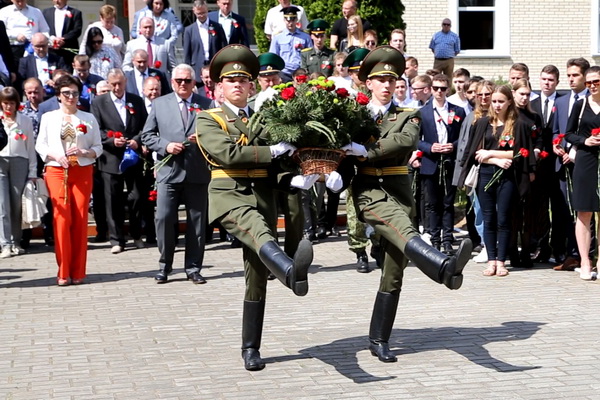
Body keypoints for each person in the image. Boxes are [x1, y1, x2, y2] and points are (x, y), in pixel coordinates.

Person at [338, 46, 471, 363]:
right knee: (404, 228)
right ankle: (443, 267)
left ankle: (378, 339)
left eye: (392, 79)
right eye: (380, 79)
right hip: (369, 190)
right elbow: (338, 150)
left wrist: (363, 149)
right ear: (367, 83)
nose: (387, 85)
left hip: (398, 192)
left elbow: (404, 141)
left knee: (393, 272)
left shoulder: (407, 114)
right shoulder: (353, 116)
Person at [195, 44, 314, 371]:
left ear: (251, 86)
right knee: (261, 234)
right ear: (218, 87)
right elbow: (229, 155)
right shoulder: (208, 119)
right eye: (229, 80)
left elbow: (279, 161)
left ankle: (251, 347)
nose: (237, 85)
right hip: (230, 195)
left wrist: (296, 172)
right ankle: (291, 272)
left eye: (243, 80)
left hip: (261, 197)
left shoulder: (265, 121)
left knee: (256, 273)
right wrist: (272, 150)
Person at [142, 63, 211, 284]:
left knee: (197, 223)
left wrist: (202, 139)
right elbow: (147, 135)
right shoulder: (160, 104)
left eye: (187, 81)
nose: (183, 84)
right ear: (172, 83)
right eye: (179, 81)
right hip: (169, 172)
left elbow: (215, 134)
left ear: (194, 83)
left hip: (196, 171)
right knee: (163, 218)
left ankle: (193, 267)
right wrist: (166, 146)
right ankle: (165, 266)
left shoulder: (206, 104)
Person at [461, 85, 535, 277]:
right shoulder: (483, 123)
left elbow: (521, 153)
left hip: (508, 177)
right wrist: (494, 160)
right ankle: (491, 260)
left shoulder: (519, 124)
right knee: (488, 218)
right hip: (485, 175)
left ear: (509, 101)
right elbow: (475, 152)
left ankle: (502, 261)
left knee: (503, 218)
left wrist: (493, 153)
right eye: (494, 101)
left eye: (501, 101)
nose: (497, 105)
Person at [36, 74, 102, 285]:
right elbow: (41, 145)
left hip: (81, 170)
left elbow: (98, 148)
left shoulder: (88, 118)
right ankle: (63, 272)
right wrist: (55, 155)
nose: (71, 97)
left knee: (80, 219)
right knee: (62, 219)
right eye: (66, 93)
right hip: (57, 170)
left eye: (74, 93)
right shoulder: (48, 117)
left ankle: (78, 271)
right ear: (58, 95)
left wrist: (85, 151)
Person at [91, 68, 148, 254]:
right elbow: (96, 130)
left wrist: (136, 141)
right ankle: (116, 239)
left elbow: (145, 126)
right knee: (112, 199)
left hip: (133, 157)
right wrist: (110, 141)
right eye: (113, 84)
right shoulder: (99, 102)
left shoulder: (136, 100)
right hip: (111, 159)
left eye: (119, 83)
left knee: (137, 196)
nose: (116, 87)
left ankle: (137, 234)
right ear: (108, 84)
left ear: (125, 82)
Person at [418, 73, 465, 254]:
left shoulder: (457, 111)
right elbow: (416, 139)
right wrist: (431, 148)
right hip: (431, 162)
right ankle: (434, 238)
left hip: (449, 162)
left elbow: (462, 137)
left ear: (448, 89)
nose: (439, 92)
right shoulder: (422, 112)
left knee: (448, 203)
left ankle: (447, 239)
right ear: (430, 89)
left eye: (443, 89)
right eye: (436, 88)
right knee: (432, 203)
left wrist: (451, 146)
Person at [551, 57, 589, 271]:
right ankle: (570, 253)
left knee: (583, 210)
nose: (571, 79)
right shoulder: (562, 101)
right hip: (561, 163)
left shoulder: (591, 100)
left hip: (583, 161)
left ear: (584, 76)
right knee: (564, 209)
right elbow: (556, 131)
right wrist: (557, 145)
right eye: (569, 76)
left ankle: (585, 254)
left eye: (575, 75)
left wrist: (574, 151)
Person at [564, 65, 600, 280]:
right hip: (586, 159)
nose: (592, 86)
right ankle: (585, 261)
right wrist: (584, 140)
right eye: (589, 83)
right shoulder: (580, 104)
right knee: (584, 211)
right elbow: (568, 133)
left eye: (596, 82)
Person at [529, 65, 563, 263]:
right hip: (538, 165)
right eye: (543, 79)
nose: (547, 83)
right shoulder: (531, 104)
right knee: (537, 208)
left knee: (559, 208)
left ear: (557, 82)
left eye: (551, 80)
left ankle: (558, 249)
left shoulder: (563, 102)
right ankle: (538, 247)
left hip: (557, 164)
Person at [0, 86, 37, 258]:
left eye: (12, 103)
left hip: (20, 162)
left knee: (16, 205)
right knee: (2, 205)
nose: (8, 107)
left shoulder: (25, 121)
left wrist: (32, 172)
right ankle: (4, 243)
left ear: (17, 104)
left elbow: (31, 149)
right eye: (5, 103)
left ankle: (16, 242)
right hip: (1, 162)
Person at [183, 0, 226, 82]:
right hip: (197, 70)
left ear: (207, 10)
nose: (202, 15)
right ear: (194, 11)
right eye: (199, 13)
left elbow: (223, 48)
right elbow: (187, 55)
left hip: (214, 68)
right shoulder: (189, 30)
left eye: (204, 12)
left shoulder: (217, 27)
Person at [0, 0, 49, 71]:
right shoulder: (4, 12)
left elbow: (45, 30)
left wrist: (38, 39)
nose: (20, 3)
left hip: (32, 49)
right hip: (13, 49)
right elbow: (1, 32)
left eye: (22, 1)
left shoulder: (36, 12)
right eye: (17, 1)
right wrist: (15, 35)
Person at [17, 33, 68, 99]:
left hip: (53, 95)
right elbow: (21, 81)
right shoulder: (25, 61)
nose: (41, 49)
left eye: (43, 46)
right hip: (34, 96)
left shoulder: (58, 59)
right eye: (38, 46)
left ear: (48, 44)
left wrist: (56, 82)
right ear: (32, 45)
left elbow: (66, 77)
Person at [268, 6, 311, 82]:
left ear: (296, 20)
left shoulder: (305, 37)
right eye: (288, 20)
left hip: (300, 73)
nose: (290, 23)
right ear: (284, 20)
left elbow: (310, 56)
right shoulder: (278, 38)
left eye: (293, 20)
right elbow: (273, 57)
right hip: (284, 73)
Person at [42, 0, 82, 68]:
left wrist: (63, 39)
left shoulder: (75, 12)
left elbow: (77, 30)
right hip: (51, 51)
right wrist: (52, 39)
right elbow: (43, 28)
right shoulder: (46, 12)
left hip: (68, 51)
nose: (57, 1)